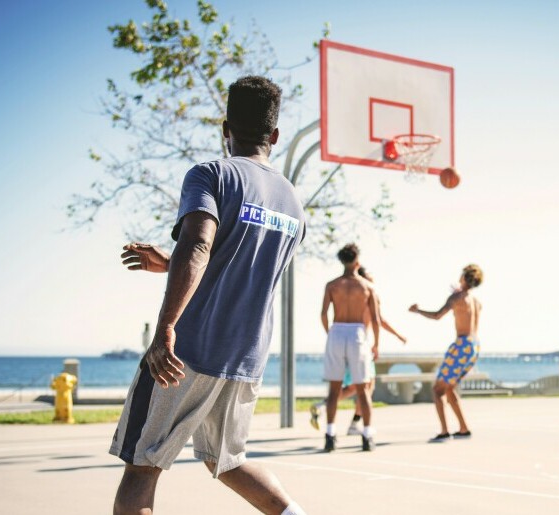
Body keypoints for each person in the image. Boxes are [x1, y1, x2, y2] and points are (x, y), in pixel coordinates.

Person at [109, 76, 307, 515]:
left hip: (192, 350)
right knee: (226, 461)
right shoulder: (294, 203)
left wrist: (165, 330)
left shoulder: (212, 174)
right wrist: (171, 261)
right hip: (246, 357)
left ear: (226, 128)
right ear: (274, 136)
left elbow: (199, 245)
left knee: (142, 465)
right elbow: (242, 267)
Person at [309, 266, 407, 435]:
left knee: (359, 387)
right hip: (360, 346)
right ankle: (341, 417)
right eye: (370, 278)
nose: (373, 281)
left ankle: (343, 418)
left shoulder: (354, 293)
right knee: (362, 388)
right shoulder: (366, 295)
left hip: (351, 344)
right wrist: (395, 336)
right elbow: (379, 320)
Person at [409, 264, 483, 442]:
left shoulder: (457, 297)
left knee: (437, 390)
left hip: (461, 344)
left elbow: (437, 315)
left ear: (464, 277)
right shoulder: (476, 301)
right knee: (448, 387)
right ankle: (463, 428)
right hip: (474, 345)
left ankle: (444, 431)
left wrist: (417, 310)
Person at [320, 244, 381, 452]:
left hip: (337, 330)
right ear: (357, 260)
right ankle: (367, 435)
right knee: (363, 388)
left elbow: (323, 314)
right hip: (357, 332)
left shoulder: (332, 285)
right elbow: (375, 318)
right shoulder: (367, 287)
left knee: (334, 388)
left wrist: (331, 333)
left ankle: (330, 434)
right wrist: (376, 344)